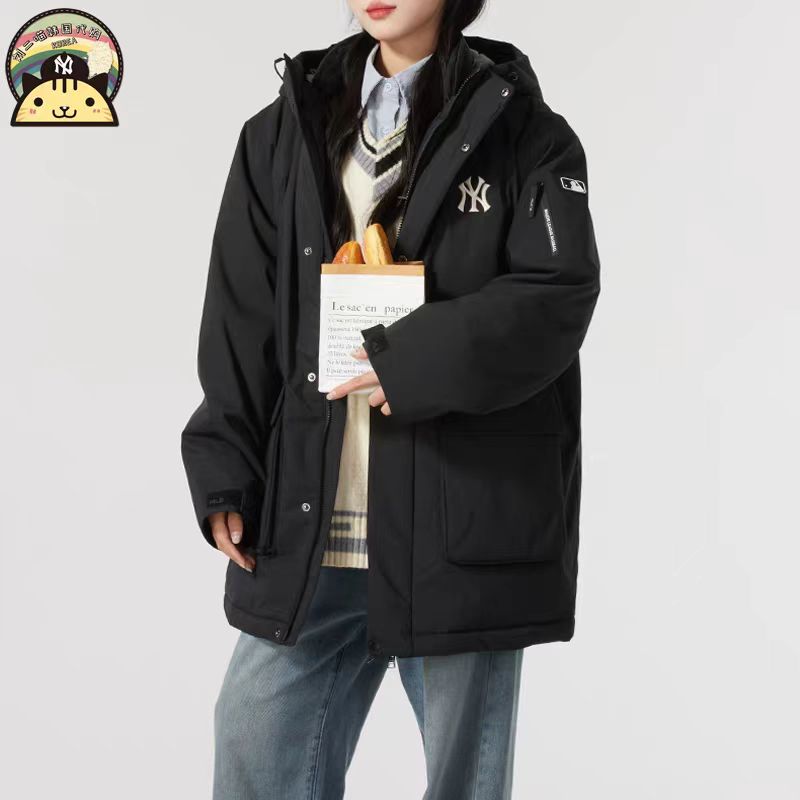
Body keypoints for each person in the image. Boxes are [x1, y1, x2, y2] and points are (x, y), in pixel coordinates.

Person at [180, 1, 601, 797]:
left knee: (461, 782)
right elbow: (242, 315)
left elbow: (558, 292)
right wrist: (226, 465)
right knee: (250, 739)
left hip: (460, 524)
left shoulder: (529, 134)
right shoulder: (278, 133)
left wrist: (411, 363)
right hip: (312, 519)